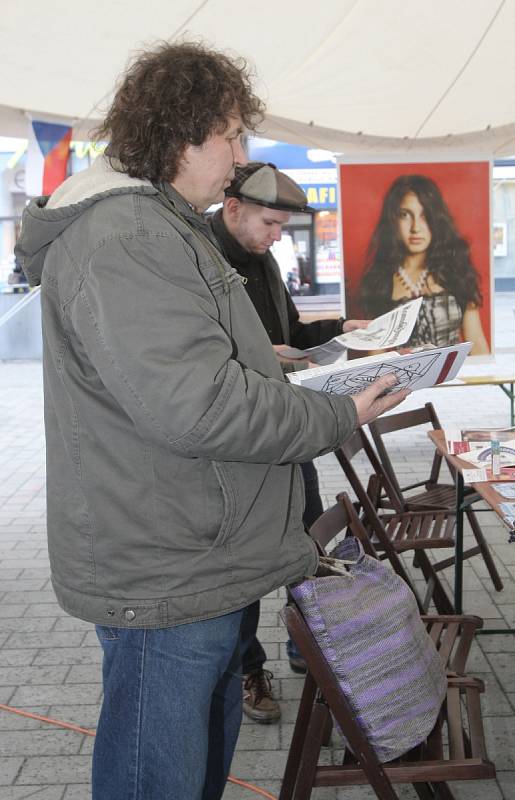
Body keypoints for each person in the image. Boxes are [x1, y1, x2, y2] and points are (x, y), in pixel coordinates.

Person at [15, 41, 408, 800]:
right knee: (157, 772)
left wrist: (286, 366)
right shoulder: (128, 235)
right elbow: (194, 407)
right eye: (230, 134)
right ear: (178, 133)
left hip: (194, 544)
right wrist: (335, 413)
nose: (238, 156)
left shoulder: (154, 225)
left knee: (188, 754)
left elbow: (185, 371)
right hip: (168, 556)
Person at [212, 161, 370, 722]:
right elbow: (194, 367)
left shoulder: (264, 258)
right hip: (236, 445)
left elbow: (292, 336)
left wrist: (341, 330)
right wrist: (258, 358)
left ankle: (306, 645)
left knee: (305, 537)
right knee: (248, 564)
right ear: (233, 209)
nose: (278, 237)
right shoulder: (198, 259)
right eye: (270, 224)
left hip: (286, 430)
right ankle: (249, 669)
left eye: (282, 226)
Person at [359, 174, 489, 355]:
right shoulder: (379, 281)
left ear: (436, 219)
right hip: (403, 381)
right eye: (405, 215)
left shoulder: (456, 271)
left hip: (454, 378)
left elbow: (475, 341)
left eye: (424, 215)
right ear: (393, 220)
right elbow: (375, 354)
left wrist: (480, 380)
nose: (415, 228)